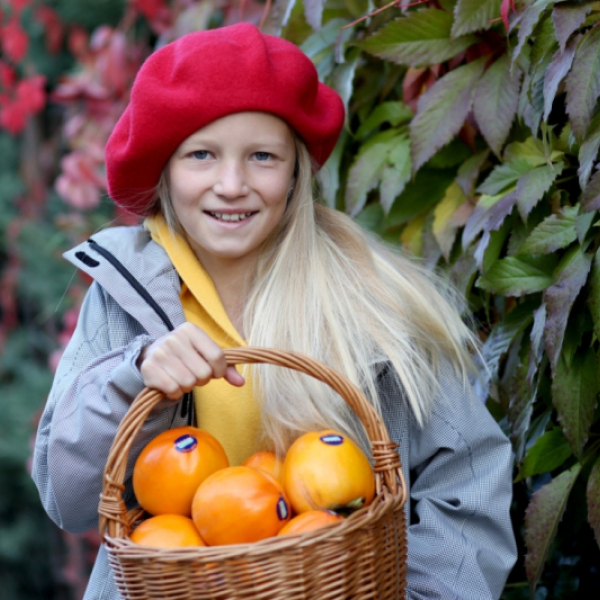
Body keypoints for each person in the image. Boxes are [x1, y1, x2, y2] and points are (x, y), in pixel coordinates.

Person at [32, 22, 517, 600]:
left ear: (294, 173)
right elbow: (69, 499)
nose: (231, 185)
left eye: (262, 156)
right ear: (165, 169)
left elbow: (467, 478)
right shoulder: (122, 299)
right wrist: (131, 377)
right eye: (202, 155)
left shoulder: (369, 295)